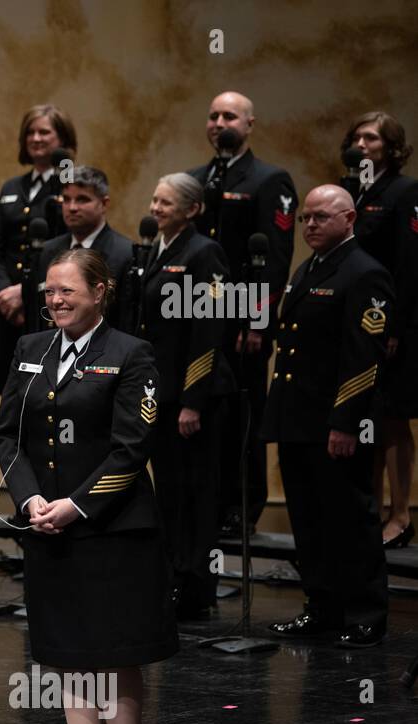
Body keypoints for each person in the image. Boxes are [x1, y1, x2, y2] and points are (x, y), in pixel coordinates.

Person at [0, 248, 175, 724]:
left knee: (114, 650)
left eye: (66, 290)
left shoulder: (130, 353)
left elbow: (131, 449)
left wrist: (73, 505)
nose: (54, 300)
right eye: (48, 291)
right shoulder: (29, 348)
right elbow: (7, 436)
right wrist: (30, 501)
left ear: (100, 292)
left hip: (112, 530)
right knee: (67, 651)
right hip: (47, 526)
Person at [262, 185, 393, 649]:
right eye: (305, 218)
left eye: (321, 217)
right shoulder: (309, 267)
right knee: (309, 520)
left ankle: (365, 614)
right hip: (298, 419)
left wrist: (344, 422)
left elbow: (364, 358)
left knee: (350, 520)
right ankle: (322, 607)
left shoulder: (364, 273)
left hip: (337, 421)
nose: (311, 225)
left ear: (349, 218)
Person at [187, 91, 297, 538]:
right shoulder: (195, 180)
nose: (219, 122)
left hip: (240, 323)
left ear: (250, 124)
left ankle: (243, 504)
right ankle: (207, 501)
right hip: (198, 318)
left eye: (229, 116)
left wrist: (256, 320)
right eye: (212, 115)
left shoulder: (270, 180)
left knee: (243, 414)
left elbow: (273, 258)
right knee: (206, 412)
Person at [136, 173, 234, 618]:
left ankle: (195, 587)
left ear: (192, 210)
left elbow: (208, 330)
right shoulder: (156, 251)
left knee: (195, 494)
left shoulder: (204, 253)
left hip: (193, 398)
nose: (156, 208)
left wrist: (193, 399)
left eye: (167, 203)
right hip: (162, 392)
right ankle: (172, 576)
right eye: (155, 200)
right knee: (170, 492)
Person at [339, 111, 418, 548]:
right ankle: (367, 508)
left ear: (391, 147)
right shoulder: (351, 188)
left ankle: (401, 514)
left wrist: (396, 327)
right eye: (357, 136)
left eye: (371, 137)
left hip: (391, 323)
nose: (362, 144)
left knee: (391, 417)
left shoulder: (404, 191)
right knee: (361, 414)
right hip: (352, 324)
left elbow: (409, 264)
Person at [0, 104, 76, 395]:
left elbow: (68, 248)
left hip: (50, 305)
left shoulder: (71, 185)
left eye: (44, 132)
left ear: (62, 139)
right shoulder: (12, 186)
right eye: (30, 133)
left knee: (50, 388)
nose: (36, 138)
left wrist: (24, 293)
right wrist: (3, 295)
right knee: (15, 392)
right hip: (11, 310)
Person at [24, 165, 134, 334]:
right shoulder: (46, 251)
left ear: (104, 204)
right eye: (66, 199)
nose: (72, 207)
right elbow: (37, 317)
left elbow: (126, 320)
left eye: (82, 200)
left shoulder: (126, 254)